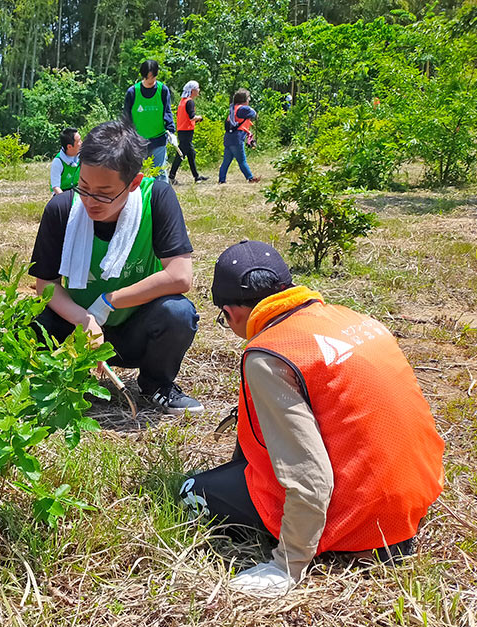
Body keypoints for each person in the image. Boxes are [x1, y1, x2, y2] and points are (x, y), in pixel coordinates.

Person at [179, 240, 445, 597]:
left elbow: (309, 474)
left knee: (190, 492)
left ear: (231, 312)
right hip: (412, 502)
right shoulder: (354, 318)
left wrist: (287, 563)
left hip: (362, 526)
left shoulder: (269, 354)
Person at [29, 121, 203, 415]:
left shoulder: (157, 198)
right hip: (77, 331)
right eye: (83, 187)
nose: (90, 201)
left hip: (134, 331)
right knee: (31, 319)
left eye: (104, 192)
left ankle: (156, 384)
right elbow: (45, 284)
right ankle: (62, 378)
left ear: (133, 183)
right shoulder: (61, 209)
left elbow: (180, 276)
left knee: (179, 313)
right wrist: (86, 320)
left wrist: (108, 302)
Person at [123, 60, 176, 184]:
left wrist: (171, 131)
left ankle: (161, 200)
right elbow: (126, 116)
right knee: (136, 174)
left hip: (158, 139)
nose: (150, 81)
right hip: (137, 141)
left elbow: (167, 111)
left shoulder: (163, 90)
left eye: (153, 78)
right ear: (143, 76)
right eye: (148, 78)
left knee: (160, 174)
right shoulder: (132, 92)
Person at [168, 80, 208, 185]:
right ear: (193, 90)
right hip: (187, 131)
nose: (199, 90)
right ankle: (171, 177)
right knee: (180, 155)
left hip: (182, 130)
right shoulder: (189, 101)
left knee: (191, 154)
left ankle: (196, 177)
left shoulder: (182, 101)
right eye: (198, 88)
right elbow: (192, 117)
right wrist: (200, 118)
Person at [218, 89, 260, 184]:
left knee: (226, 161)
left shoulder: (234, 108)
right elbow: (253, 114)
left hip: (228, 137)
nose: (249, 100)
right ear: (244, 100)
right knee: (242, 160)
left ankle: (222, 179)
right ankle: (250, 178)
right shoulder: (243, 109)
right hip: (236, 138)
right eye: (248, 98)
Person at [49, 128, 81, 195]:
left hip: (77, 190)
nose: (81, 143)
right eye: (78, 141)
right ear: (69, 146)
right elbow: (56, 187)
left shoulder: (82, 156)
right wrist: (65, 201)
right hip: (61, 193)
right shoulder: (58, 162)